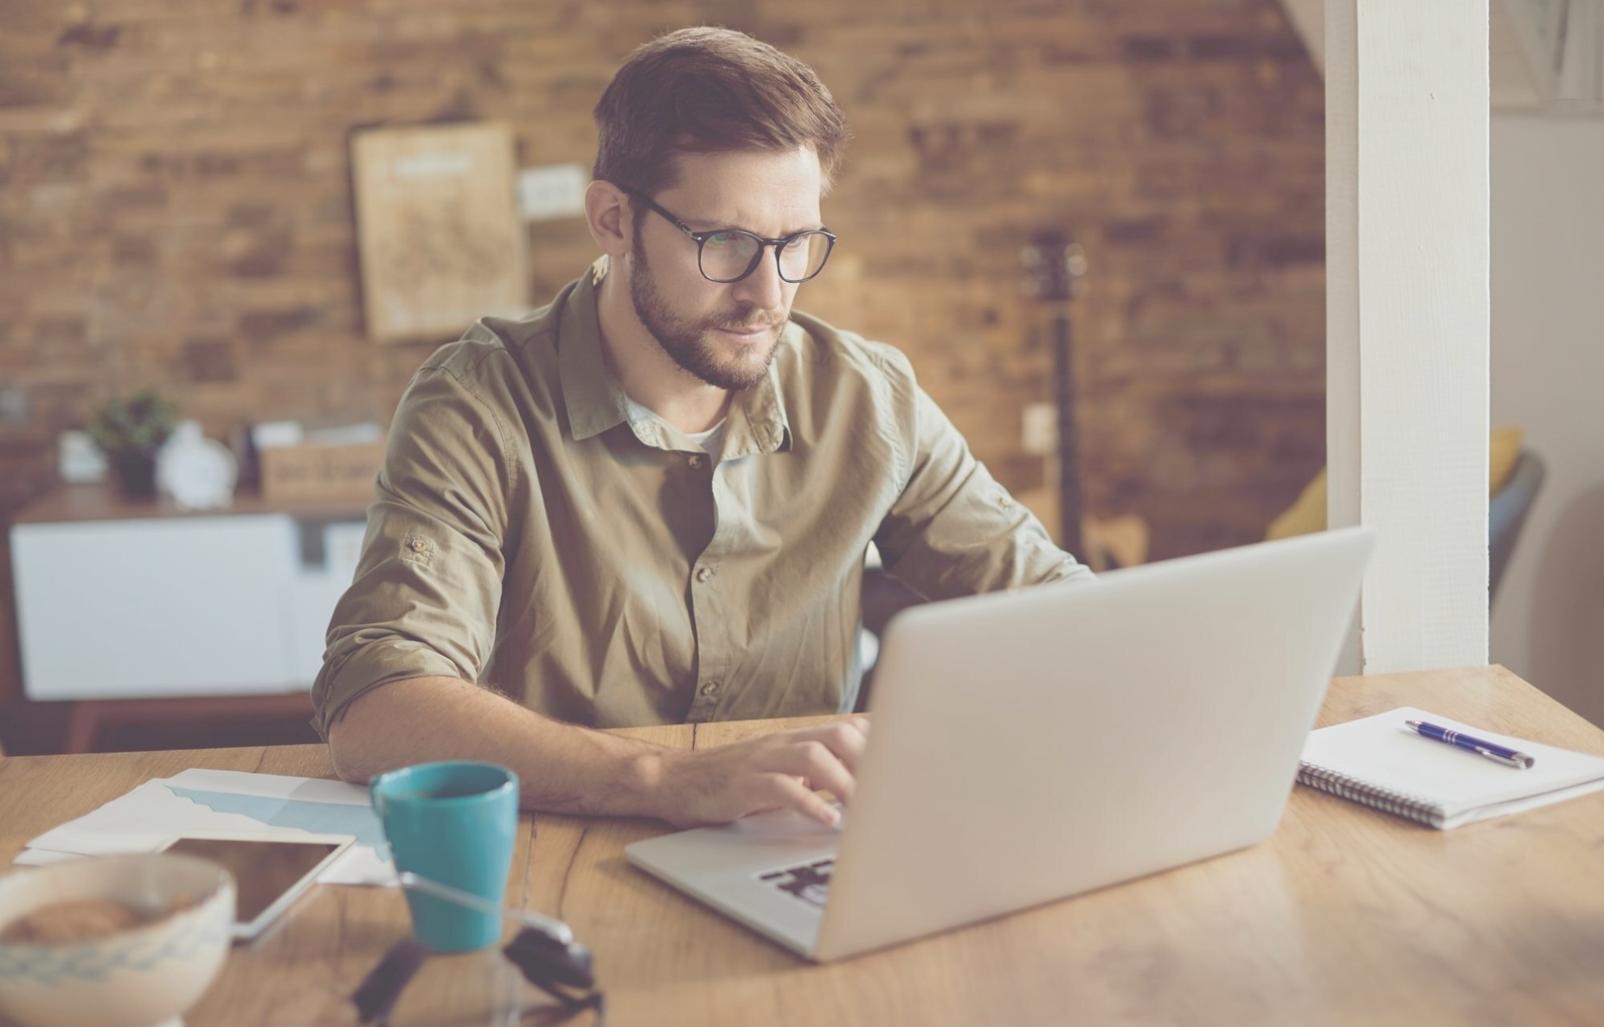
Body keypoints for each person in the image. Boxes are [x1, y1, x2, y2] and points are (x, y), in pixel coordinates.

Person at [314, 26, 1092, 829]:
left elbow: (1065, 611)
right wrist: (663, 777)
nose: (770, 293)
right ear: (613, 220)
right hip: (559, 854)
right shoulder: (477, 404)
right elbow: (377, 707)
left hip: (797, 847)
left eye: (797, 245)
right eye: (726, 242)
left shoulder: (869, 398)